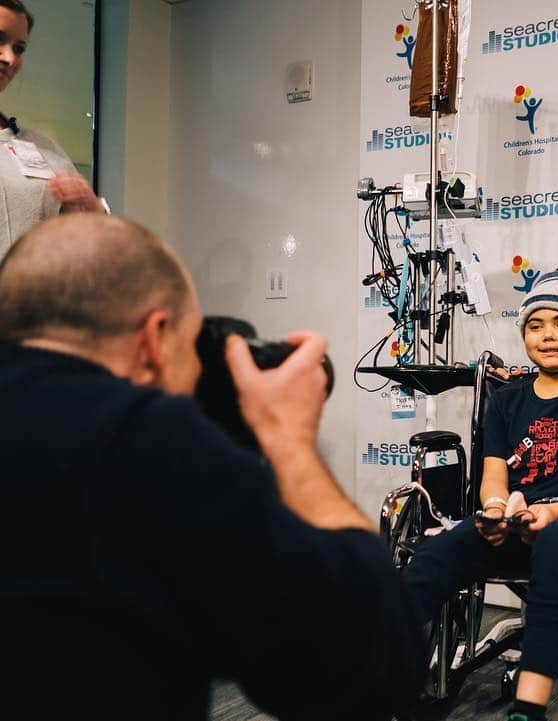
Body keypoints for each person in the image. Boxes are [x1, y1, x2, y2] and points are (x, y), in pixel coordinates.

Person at [0, 214, 426, 720]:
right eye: (192, 350)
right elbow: (375, 664)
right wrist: (288, 441)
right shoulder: (150, 441)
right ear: (156, 339)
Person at [403, 261, 558, 721]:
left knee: (556, 541)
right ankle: (387, 685)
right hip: (515, 519)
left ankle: (528, 709)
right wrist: (495, 510)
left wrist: (553, 514)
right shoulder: (507, 400)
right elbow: (493, 477)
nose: (548, 335)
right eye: (535, 326)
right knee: (432, 556)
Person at [0, 0, 104, 260]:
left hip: (35, 299)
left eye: (19, 48)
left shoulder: (42, 148)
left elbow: (86, 243)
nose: (10, 58)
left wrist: (94, 213)